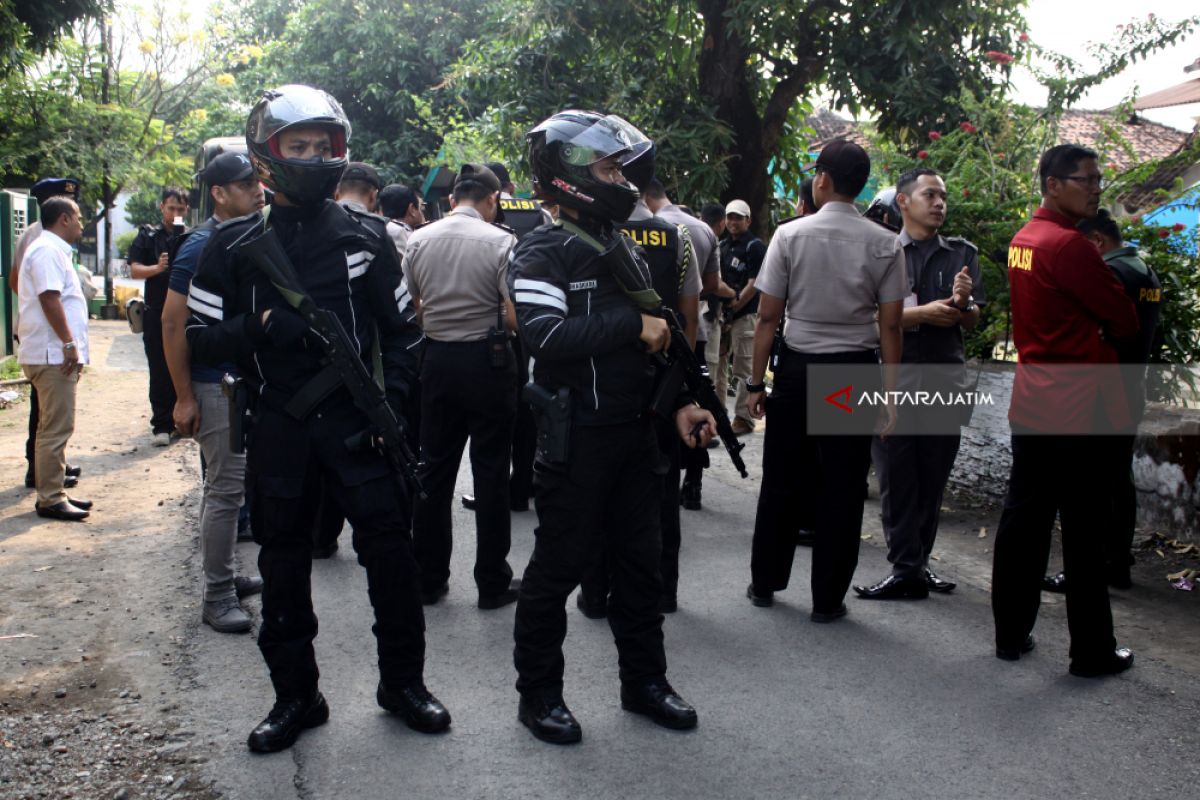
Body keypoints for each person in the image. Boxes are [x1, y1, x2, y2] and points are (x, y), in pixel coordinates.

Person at [185, 84, 450, 753]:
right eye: (296, 145)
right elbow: (199, 340)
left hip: (360, 429)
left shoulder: (365, 238)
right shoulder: (231, 247)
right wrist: (262, 326)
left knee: (391, 560)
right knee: (281, 568)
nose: (311, 156)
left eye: (321, 145)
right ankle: (296, 698)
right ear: (266, 155)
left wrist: (391, 410)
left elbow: (403, 336)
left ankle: (403, 684)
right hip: (280, 428)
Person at [510, 109, 716, 745]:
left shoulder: (626, 241)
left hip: (635, 431)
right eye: (606, 167)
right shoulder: (541, 249)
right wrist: (632, 325)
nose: (620, 177)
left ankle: (644, 683)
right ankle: (539, 694)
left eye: (620, 166)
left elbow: (658, 343)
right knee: (558, 568)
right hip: (576, 437)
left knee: (641, 567)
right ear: (569, 175)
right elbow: (545, 336)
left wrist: (682, 400)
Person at [991, 144, 1139, 678]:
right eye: (1087, 179)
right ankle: (1092, 650)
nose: (1097, 187)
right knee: (1083, 529)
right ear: (1054, 184)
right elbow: (1124, 319)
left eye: (1099, 178)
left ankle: (1010, 632)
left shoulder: (1023, 241)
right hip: (1082, 406)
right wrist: (1098, 328)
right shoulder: (1071, 247)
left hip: (1035, 399)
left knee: (1023, 519)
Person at [744, 139, 906, 622]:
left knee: (782, 480)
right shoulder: (884, 243)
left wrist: (756, 384)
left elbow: (768, 318)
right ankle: (828, 599)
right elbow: (891, 325)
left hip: (797, 369)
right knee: (842, 485)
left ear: (823, 179)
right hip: (851, 374)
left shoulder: (790, 235)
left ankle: (765, 582)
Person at [576, 149, 701, 617]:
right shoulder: (678, 235)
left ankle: (595, 591)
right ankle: (661, 591)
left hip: (599, 379)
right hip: (662, 380)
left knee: (597, 489)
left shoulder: (591, 231)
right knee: (660, 489)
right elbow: (688, 317)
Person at [853, 168, 984, 601]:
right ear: (904, 202)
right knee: (895, 474)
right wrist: (924, 314)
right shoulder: (880, 252)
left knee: (933, 475)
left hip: (944, 375)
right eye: (930, 194)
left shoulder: (962, 254)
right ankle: (904, 565)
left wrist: (963, 304)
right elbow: (866, 316)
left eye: (943, 196)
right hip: (893, 375)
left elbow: (972, 317)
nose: (940, 203)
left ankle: (918, 564)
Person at [404, 163, 520, 609]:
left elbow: (415, 306)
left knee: (433, 468)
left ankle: (429, 578)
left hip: (436, 361)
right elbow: (512, 314)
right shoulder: (502, 242)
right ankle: (492, 582)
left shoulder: (418, 239)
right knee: (491, 472)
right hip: (488, 363)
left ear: (453, 200)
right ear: (492, 200)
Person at [161, 152, 266, 633]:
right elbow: (172, 321)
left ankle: (223, 573)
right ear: (220, 193)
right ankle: (218, 595)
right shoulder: (201, 244)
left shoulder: (241, 235)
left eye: (258, 182)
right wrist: (183, 396)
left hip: (233, 379)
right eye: (247, 185)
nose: (259, 190)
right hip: (211, 382)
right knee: (225, 489)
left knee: (227, 486)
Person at [1043, 210, 1162, 594]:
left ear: (1095, 241)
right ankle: (1116, 562)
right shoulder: (1144, 268)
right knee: (1116, 478)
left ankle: (1089, 568)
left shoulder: (1111, 273)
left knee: (1091, 483)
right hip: (1132, 384)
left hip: (1103, 388)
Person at [645, 179, 733, 512]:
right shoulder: (701, 230)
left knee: (656, 412)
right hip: (692, 335)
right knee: (695, 404)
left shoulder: (637, 227)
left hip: (652, 337)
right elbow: (711, 284)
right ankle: (692, 485)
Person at [17, 196, 90, 521]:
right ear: (63, 219)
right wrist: (69, 343)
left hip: (50, 352)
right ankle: (50, 497)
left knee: (55, 425)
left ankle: (54, 488)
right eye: (77, 218)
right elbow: (50, 299)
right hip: (52, 353)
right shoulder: (47, 251)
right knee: (55, 427)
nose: (80, 224)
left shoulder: (50, 249)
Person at [128, 187, 189, 446]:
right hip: (156, 313)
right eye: (171, 208)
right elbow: (134, 270)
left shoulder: (190, 237)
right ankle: (161, 424)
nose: (175, 213)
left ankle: (181, 420)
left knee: (185, 366)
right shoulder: (148, 237)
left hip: (186, 315)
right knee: (160, 368)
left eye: (180, 209)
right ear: (162, 207)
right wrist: (158, 268)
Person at [718, 199, 766, 435]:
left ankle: (744, 419)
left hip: (745, 314)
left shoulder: (754, 246)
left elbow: (755, 283)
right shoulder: (723, 245)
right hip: (722, 315)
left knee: (743, 367)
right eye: (730, 217)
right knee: (719, 366)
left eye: (738, 217)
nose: (733, 221)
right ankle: (717, 415)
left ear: (748, 220)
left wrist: (734, 307)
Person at [378, 184, 425, 256]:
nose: (422, 214)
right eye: (420, 209)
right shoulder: (401, 232)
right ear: (412, 209)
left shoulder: (380, 228)